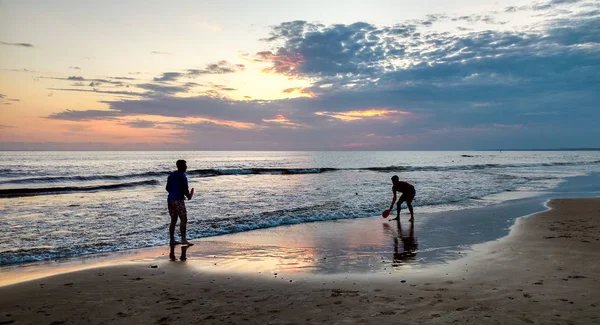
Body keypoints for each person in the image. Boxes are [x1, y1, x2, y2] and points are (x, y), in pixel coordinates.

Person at [166, 160, 194, 245]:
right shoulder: (182, 176)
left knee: (173, 220)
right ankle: (183, 239)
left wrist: (175, 192)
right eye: (185, 165)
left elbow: (167, 188)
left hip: (170, 200)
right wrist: (188, 196)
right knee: (183, 219)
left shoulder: (170, 176)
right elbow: (185, 189)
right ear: (181, 166)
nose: (186, 167)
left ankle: (172, 240)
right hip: (178, 200)